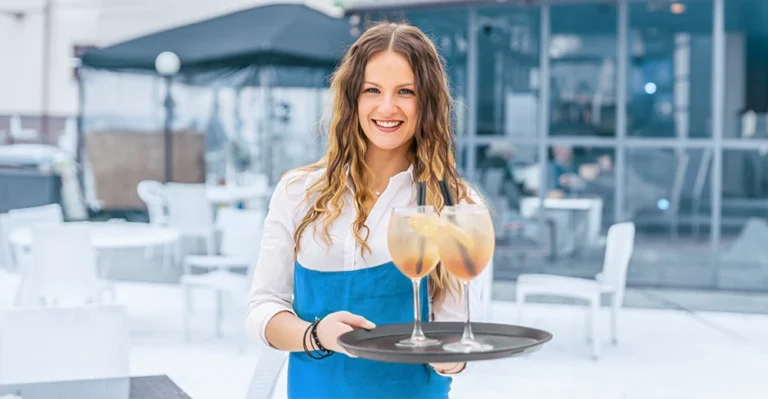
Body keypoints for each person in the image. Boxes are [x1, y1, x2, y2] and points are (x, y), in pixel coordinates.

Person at [245, 22, 483, 399]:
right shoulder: (298, 193)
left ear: (428, 103)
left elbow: (456, 333)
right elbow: (263, 308)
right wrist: (316, 334)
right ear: (353, 97)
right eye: (373, 90)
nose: (387, 107)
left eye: (406, 91)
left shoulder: (456, 203)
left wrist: (450, 357)